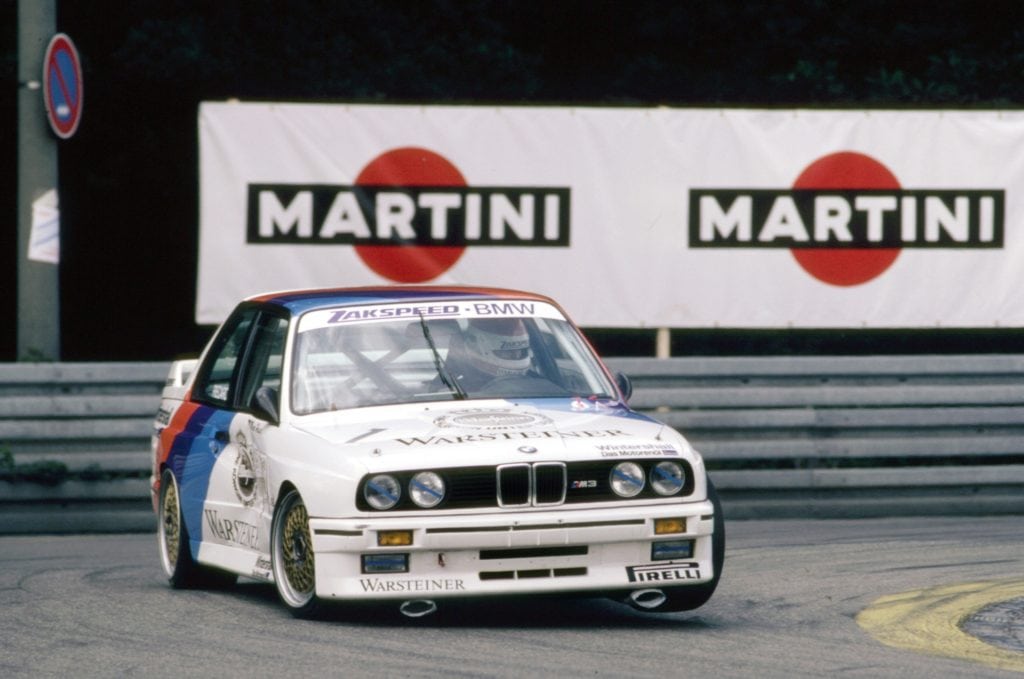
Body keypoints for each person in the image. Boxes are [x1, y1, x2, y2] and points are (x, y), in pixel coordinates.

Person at [444, 318, 532, 391]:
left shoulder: (540, 385)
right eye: (508, 353)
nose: (517, 357)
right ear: (477, 348)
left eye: (521, 351)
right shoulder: (454, 391)